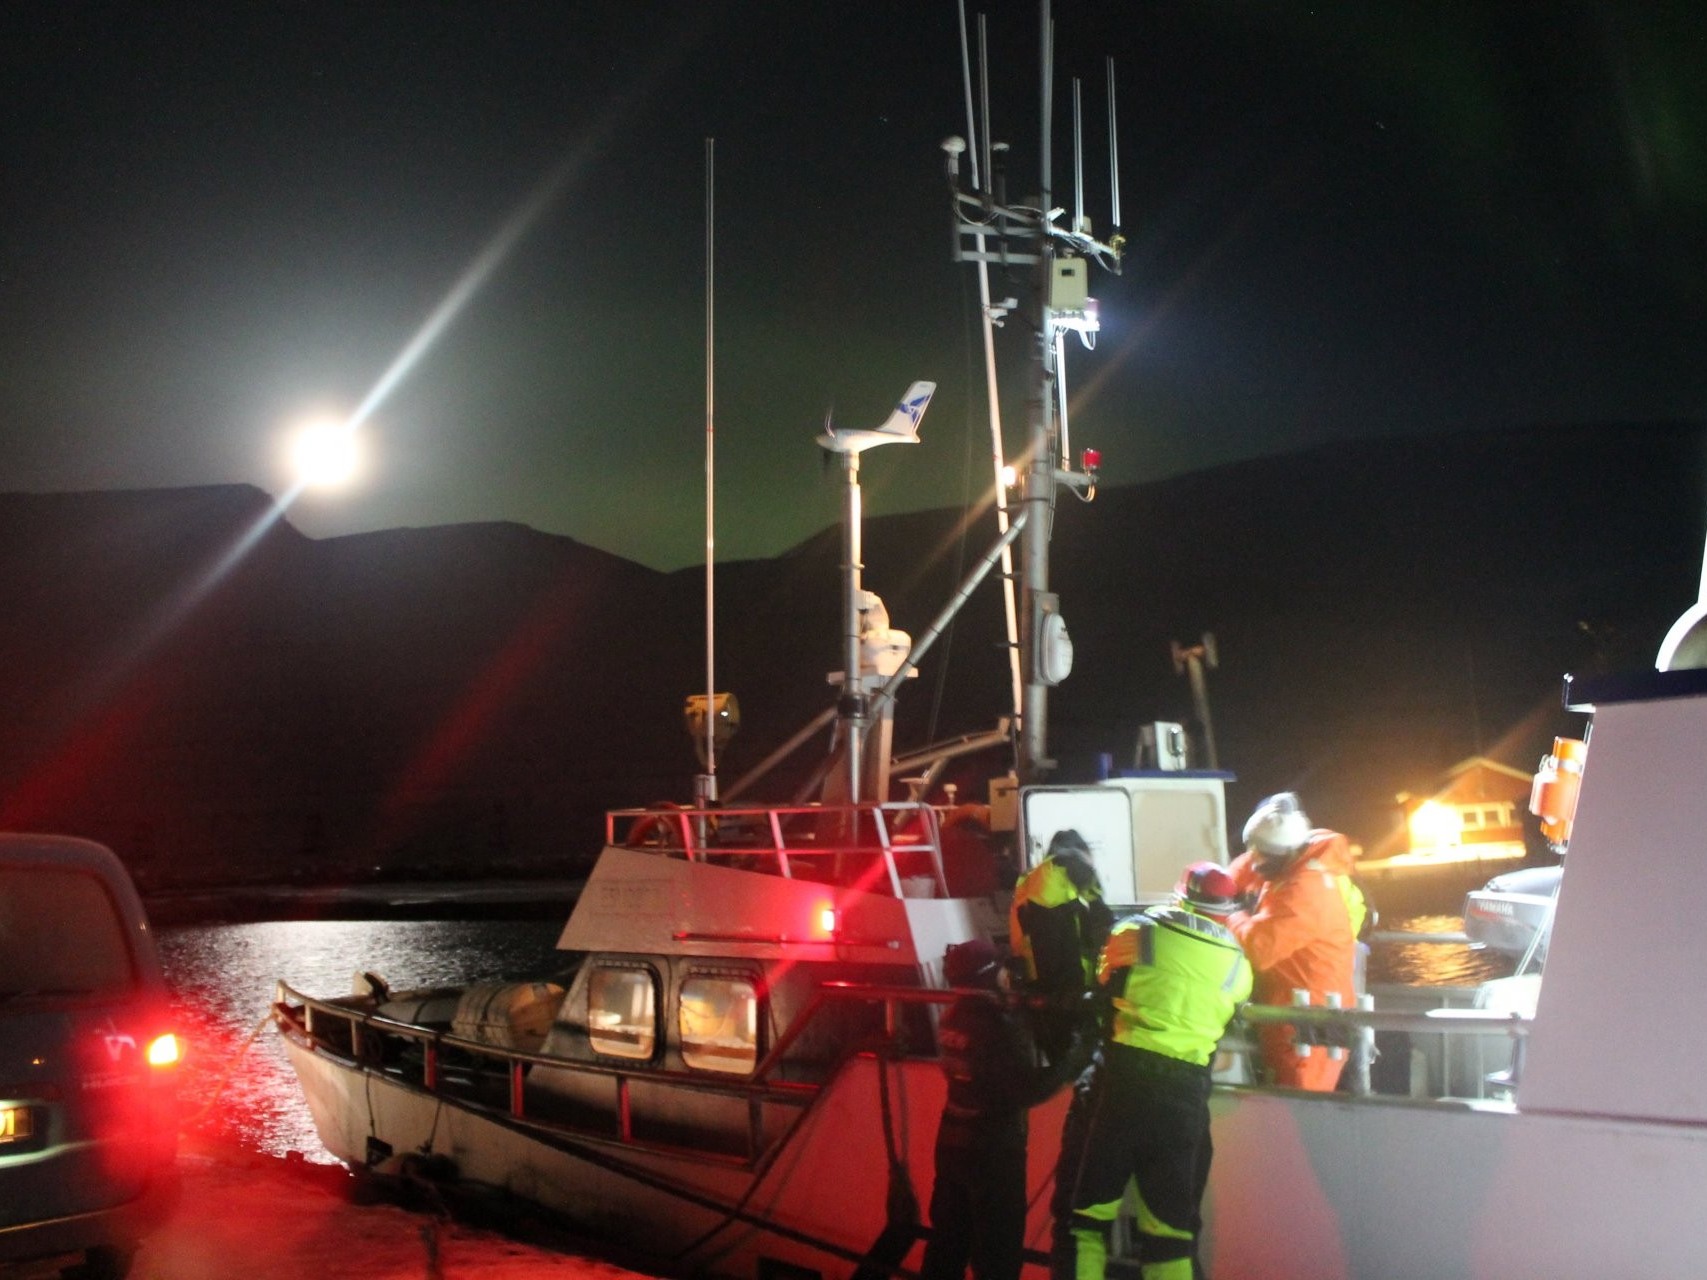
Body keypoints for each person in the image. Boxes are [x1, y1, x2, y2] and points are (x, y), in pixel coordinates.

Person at [1057, 861, 1252, 1280]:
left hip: (1122, 1084)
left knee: (1087, 1224)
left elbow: (1105, 976)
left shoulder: (1137, 929)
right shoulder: (1238, 962)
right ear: (1226, 910)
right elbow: (1230, 1013)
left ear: (1180, 895)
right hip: (1185, 1097)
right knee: (1170, 1236)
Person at [921, 938, 1077, 1280]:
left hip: (951, 1144)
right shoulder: (995, 1024)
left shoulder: (952, 1017)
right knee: (998, 1254)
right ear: (990, 975)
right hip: (993, 1152)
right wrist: (1072, 1060)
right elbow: (1027, 1089)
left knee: (948, 1243)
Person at [1226, 791, 1366, 1091]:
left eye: (1261, 855)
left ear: (1283, 854)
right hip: (1293, 1011)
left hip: (1309, 1023)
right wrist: (1220, 885)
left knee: (1303, 1110)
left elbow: (1258, 948)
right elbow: (1246, 868)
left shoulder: (1304, 891)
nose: (1255, 860)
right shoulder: (1291, 861)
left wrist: (1230, 915)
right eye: (1253, 850)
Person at [1008, 828, 1113, 1064]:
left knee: (1059, 1062)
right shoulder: (1064, 869)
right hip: (1063, 994)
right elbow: (1100, 914)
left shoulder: (1031, 880)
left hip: (1038, 990)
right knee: (1075, 1065)